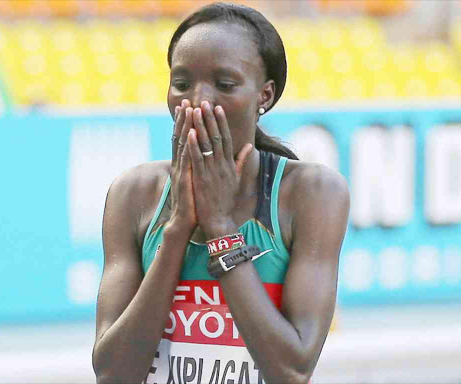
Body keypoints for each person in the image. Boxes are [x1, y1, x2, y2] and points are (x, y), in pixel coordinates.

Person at [92, 3, 349, 384]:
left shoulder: (311, 193)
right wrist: (178, 229)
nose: (196, 102)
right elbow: (113, 375)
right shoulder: (134, 194)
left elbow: (291, 371)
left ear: (265, 95)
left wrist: (220, 228)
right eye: (181, 84)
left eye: (225, 85)